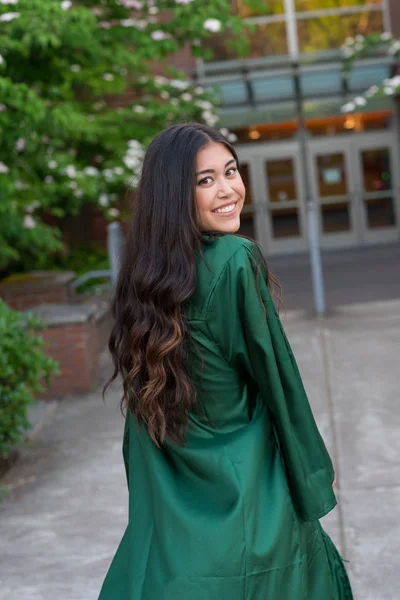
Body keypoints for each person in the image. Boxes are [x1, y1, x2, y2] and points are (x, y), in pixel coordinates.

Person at [98, 122, 353, 599]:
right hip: (254, 493)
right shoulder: (234, 260)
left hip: (185, 513)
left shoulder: (144, 279)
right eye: (205, 180)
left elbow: (140, 429)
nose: (228, 189)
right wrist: (314, 466)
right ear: (175, 195)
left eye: (230, 171)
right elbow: (278, 379)